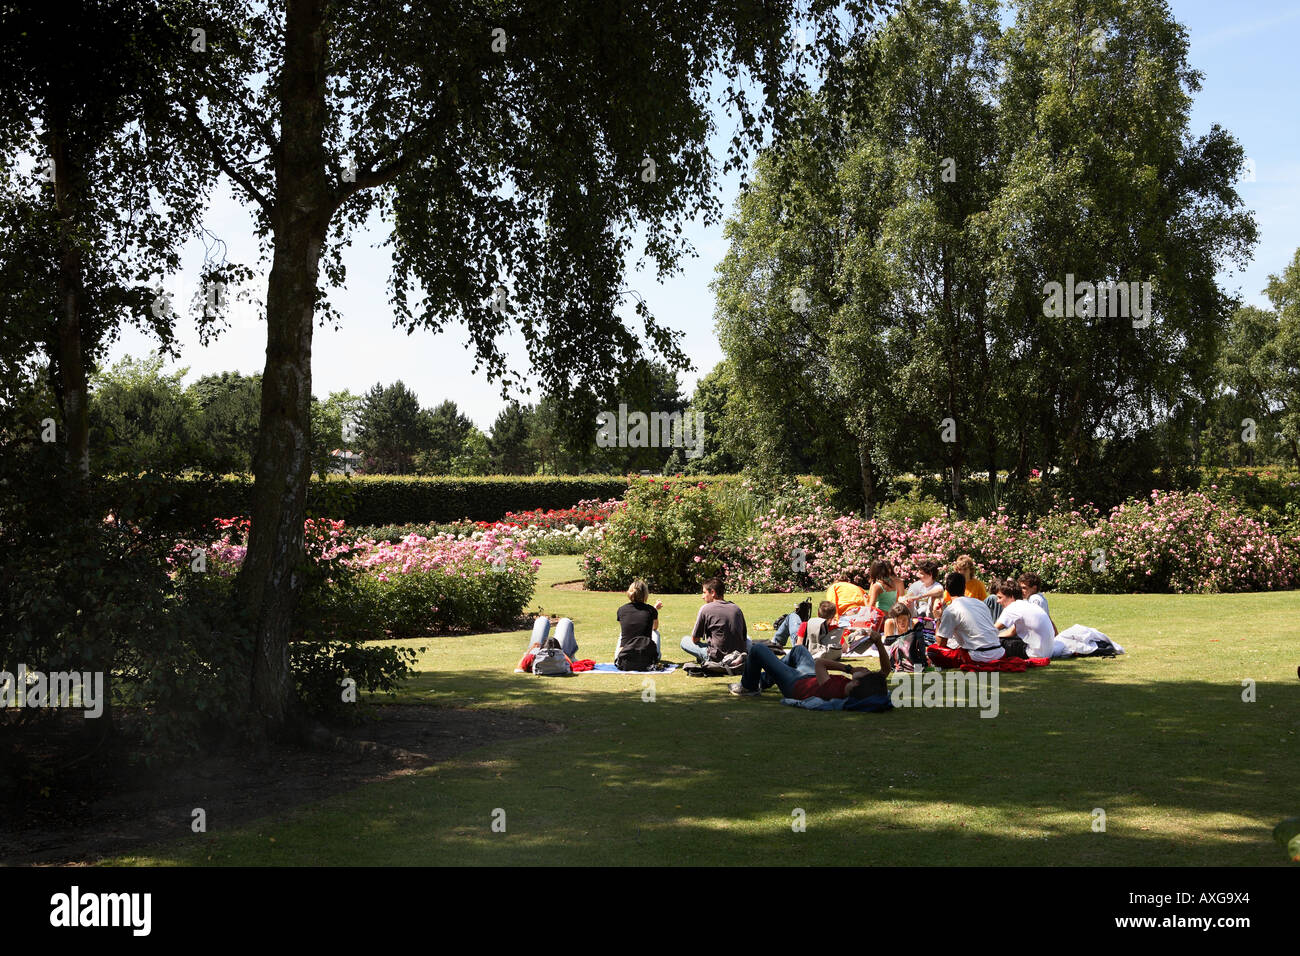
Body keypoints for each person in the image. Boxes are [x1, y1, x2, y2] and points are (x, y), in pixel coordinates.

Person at [729, 632, 891, 700]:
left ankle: (749, 687)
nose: (866, 670)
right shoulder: (863, 687)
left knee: (758, 650)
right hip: (810, 678)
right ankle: (761, 681)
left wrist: (849, 668)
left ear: (857, 682)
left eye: (865, 673)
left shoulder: (834, 691)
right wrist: (878, 642)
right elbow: (885, 670)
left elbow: (820, 663)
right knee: (798, 650)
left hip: (795, 686)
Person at [928, 572, 1004, 668]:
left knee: (932, 650)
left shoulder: (951, 609)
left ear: (946, 589)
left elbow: (941, 643)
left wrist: (938, 618)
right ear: (964, 588)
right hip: (999, 652)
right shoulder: (980, 604)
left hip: (976, 656)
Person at [680, 577, 749, 664]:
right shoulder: (736, 608)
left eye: (704, 593)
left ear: (713, 592)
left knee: (684, 641)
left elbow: (695, 639)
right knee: (749, 640)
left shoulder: (705, 609)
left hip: (717, 656)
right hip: (738, 653)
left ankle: (708, 659)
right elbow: (744, 637)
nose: (702, 596)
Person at [993, 581, 1055, 659]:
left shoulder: (1012, 608)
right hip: (1047, 652)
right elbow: (1011, 632)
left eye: (1000, 597)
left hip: (1033, 654)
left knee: (994, 643)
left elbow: (992, 630)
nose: (997, 601)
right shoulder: (1027, 605)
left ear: (1011, 597)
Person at [615, 579, 663, 661]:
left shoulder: (621, 610)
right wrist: (654, 610)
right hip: (646, 658)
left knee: (622, 633)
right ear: (645, 594)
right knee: (655, 633)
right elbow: (654, 627)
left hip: (624, 658)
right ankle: (655, 655)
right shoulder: (651, 610)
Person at [865, 560, 903, 633]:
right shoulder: (894, 583)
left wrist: (865, 601)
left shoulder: (877, 586)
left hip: (881, 619)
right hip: (893, 616)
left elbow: (871, 607)